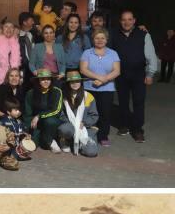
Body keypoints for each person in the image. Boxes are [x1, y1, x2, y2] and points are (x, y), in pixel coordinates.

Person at [110, 10, 158, 142]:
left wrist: (150, 73)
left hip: (138, 74)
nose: (127, 22)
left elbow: (151, 56)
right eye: (124, 20)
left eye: (129, 19)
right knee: (123, 101)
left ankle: (137, 130)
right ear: (120, 21)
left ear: (134, 20)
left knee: (138, 102)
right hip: (121, 74)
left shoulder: (143, 35)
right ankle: (124, 125)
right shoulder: (114, 34)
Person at [80, 29, 120, 146]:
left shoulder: (113, 53)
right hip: (89, 88)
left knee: (105, 113)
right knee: (89, 113)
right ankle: (87, 134)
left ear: (106, 40)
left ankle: (103, 136)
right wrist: (99, 77)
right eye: (97, 38)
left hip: (107, 89)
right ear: (93, 39)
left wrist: (104, 80)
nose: (100, 40)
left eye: (102, 38)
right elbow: (83, 70)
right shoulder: (87, 53)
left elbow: (117, 71)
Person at [58, 70, 99, 157]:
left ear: (81, 82)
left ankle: (79, 143)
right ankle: (65, 140)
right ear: (68, 83)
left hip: (85, 128)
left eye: (77, 81)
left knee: (91, 152)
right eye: (72, 81)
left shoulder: (89, 96)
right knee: (65, 129)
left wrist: (84, 122)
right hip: (70, 126)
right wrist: (72, 123)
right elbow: (60, 114)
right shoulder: (63, 97)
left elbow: (94, 115)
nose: (75, 83)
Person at [23, 69, 64, 152]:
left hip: (52, 121)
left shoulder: (57, 91)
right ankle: (42, 138)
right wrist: (27, 131)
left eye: (48, 79)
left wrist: (39, 116)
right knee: (33, 146)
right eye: (42, 79)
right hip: (36, 124)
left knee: (49, 122)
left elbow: (56, 110)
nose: (46, 81)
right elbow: (27, 114)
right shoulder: (30, 93)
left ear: (51, 80)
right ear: (38, 81)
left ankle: (51, 140)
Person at [0, 19, 22, 85]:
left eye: (11, 27)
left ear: (14, 30)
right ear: (2, 29)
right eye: (6, 26)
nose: (8, 29)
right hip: (0, 74)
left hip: (15, 74)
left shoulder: (19, 42)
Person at [18, 12, 41, 88]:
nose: (33, 23)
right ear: (24, 22)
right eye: (31, 21)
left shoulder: (33, 34)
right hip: (22, 69)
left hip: (34, 68)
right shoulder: (16, 37)